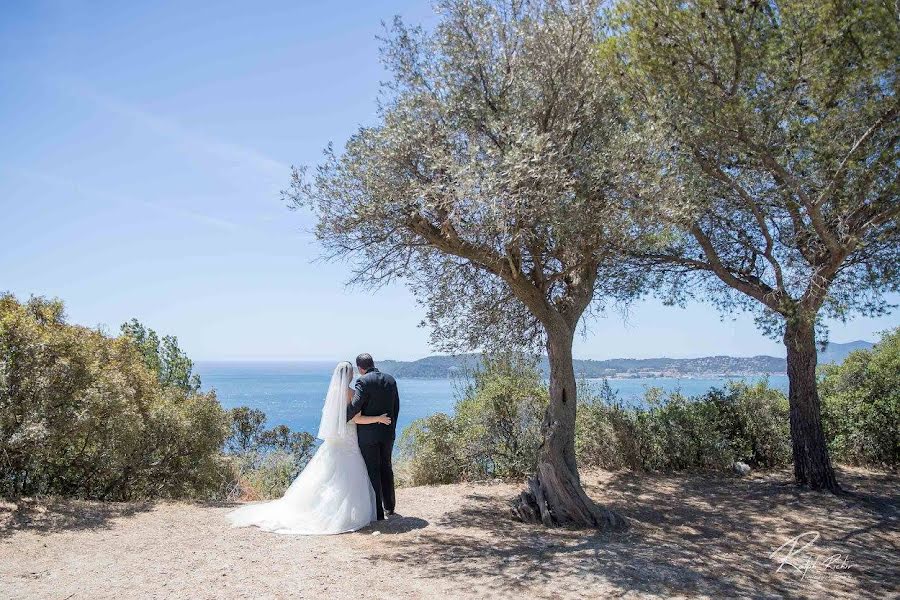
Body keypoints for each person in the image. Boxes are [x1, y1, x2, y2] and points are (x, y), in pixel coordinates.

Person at [226, 361, 390, 534]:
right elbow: (356, 419)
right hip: (348, 439)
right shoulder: (351, 393)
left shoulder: (332, 393)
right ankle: (342, 513)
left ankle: (323, 508)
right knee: (348, 474)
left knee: (328, 475)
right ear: (349, 375)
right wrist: (378, 418)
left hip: (334, 441)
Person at [346, 353, 400, 520]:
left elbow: (356, 406)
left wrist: (341, 418)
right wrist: (391, 426)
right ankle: (390, 507)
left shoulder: (363, 381)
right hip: (387, 432)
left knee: (372, 470)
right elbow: (396, 407)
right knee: (386, 467)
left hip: (368, 435)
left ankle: (377, 512)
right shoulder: (390, 379)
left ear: (360, 368)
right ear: (372, 363)